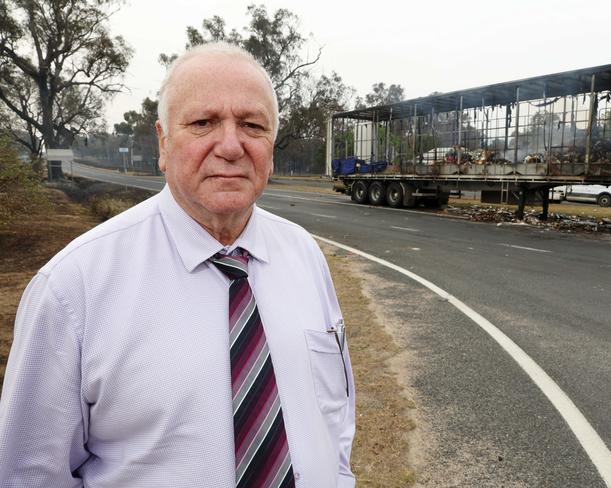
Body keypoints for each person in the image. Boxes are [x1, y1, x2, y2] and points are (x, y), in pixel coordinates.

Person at [0, 42, 355, 488]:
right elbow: (29, 475)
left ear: (271, 145)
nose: (231, 145)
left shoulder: (305, 256)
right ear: (163, 143)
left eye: (252, 125)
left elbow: (335, 415)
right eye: (204, 123)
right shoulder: (73, 288)